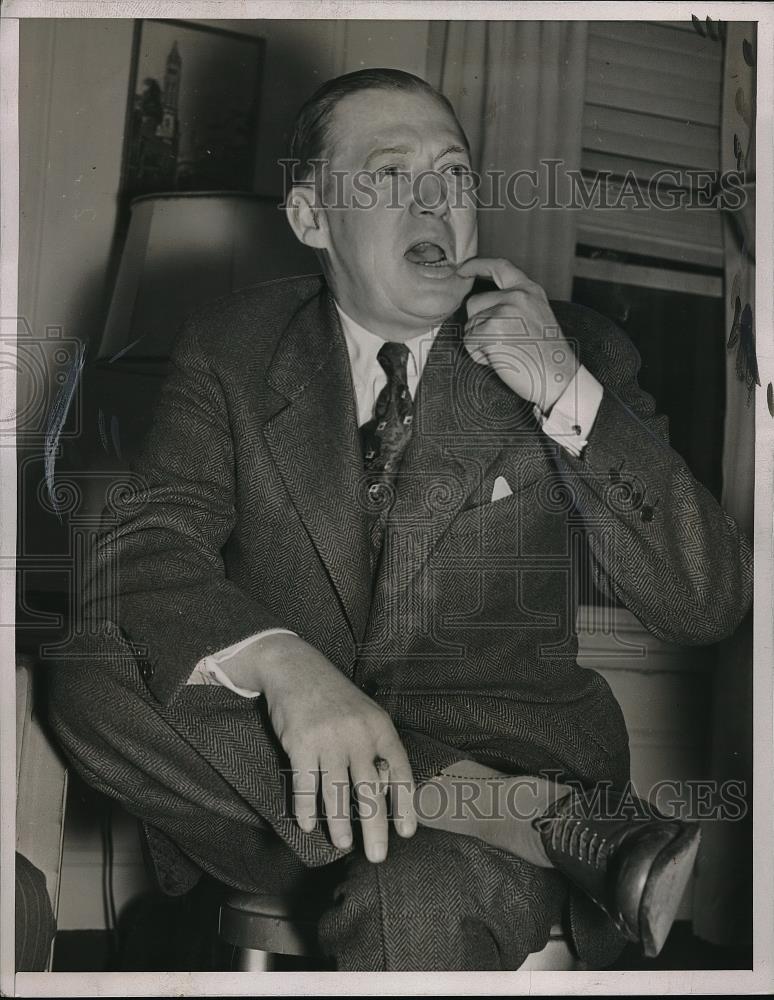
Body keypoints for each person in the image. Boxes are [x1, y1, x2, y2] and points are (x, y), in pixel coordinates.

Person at [49, 69, 753, 972]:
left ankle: (495, 816)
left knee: (408, 890)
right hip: (287, 769)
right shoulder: (232, 347)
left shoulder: (574, 347)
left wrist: (562, 390)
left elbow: (708, 602)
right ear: (311, 219)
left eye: (453, 175)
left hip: (489, 752)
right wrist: (279, 660)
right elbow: (143, 550)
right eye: (387, 175)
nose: (433, 201)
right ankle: (535, 820)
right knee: (92, 668)